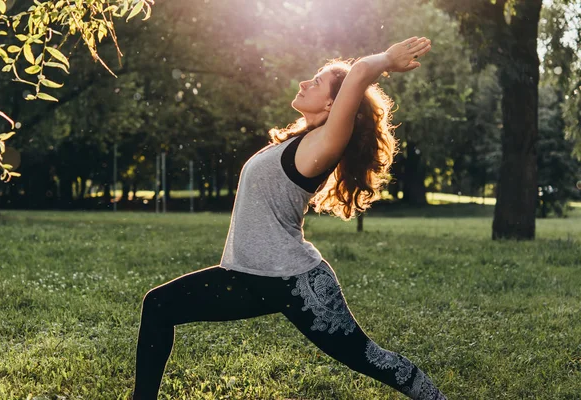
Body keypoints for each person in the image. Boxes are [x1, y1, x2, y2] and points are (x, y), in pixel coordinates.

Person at [133, 36, 446, 399]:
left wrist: (386, 60)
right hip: (248, 276)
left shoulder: (326, 142)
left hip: (297, 284)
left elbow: (359, 72)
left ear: (334, 103)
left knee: (367, 357)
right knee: (158, 305)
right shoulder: (298, 141)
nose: (304, 83)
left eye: (316, 82)